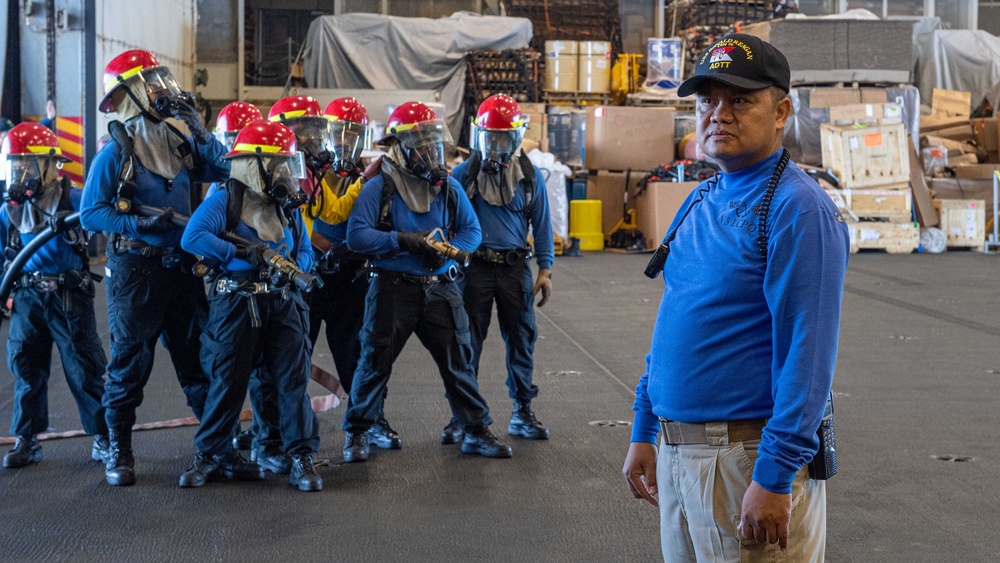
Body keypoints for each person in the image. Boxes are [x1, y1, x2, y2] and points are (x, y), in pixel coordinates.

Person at [621, 34, 850, 562]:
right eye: (707, 100)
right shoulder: (702, 198)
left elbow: (808, 355)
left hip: (747, 459)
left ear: (781, 112)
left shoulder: (798, 209)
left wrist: (774, 475)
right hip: (682, 455)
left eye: (740, 100)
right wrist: (645, 426)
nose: (718, 114)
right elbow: (676, 319)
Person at [80, 49, 229, 486]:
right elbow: (92, 213)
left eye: (161, 80)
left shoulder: (178, 142)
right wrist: (137, 222)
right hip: (137, 273)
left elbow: (226, 172)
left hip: (181, 268)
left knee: (199, 360)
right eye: (151, 83)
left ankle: (216, 446)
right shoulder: (115, 153)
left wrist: (201, 131)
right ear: (129, 93)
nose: (162, 90)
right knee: (130, 363)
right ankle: (119, 450)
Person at [342, 101, 511, 462]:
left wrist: (448, 250)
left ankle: (475, 429)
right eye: (420, 145)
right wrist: (402, 241)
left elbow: (472, 230)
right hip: (393, 287)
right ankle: (358, 432)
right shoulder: (380, 186)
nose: (430, 153)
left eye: (434, 145)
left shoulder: (447, 186)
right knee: (374, 361)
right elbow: (356, 237)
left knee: (459, 363)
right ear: (401, 147)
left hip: (440, 287)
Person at [179, 119, 322, 492]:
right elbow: (192, 237)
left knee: (292, 381)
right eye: (278, 164)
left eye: (288, 165)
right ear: (254, 165)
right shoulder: (226, 199)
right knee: (228, 381)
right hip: (237, 302)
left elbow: (304, 249)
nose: (285, 174)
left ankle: (300, 455)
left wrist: (295, 270)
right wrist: (243, 255)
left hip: (282, 300)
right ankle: (211, 454)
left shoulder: (286, 207)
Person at [0, 123, 109, 469]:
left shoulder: (74, 201)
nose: (20, 173)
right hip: (28, 296)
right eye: (14, 165)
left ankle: (105, 438)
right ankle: (26, 440)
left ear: (50, 165)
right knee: (27, 370)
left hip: (68, 296)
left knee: (83, 370)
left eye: (27, 165)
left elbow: (103, 221)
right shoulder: (9, 211)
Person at [450, 94, 554, 444]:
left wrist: (546, 269)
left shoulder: (528, 176)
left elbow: (542, 224)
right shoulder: (463, 175)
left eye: (502, 138)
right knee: (467, 342)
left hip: (515, 269)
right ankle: (462, 416)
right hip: (474, 269)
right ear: (479, 136)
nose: (495, 146)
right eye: (489, 137)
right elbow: (448, 221)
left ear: (515, 138)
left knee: (522, 339)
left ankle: (522, 410)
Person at [300, 97, 402, 451]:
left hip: (351, 275)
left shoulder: (368, 175)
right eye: (337, 134)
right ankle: (288, 424)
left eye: (353, 134)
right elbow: (304, 224)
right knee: (295, 352)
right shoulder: (308, 173)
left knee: (358, 353)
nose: (344, 141)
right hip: (309, 276)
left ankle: (370, 421)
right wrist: (328, 247)